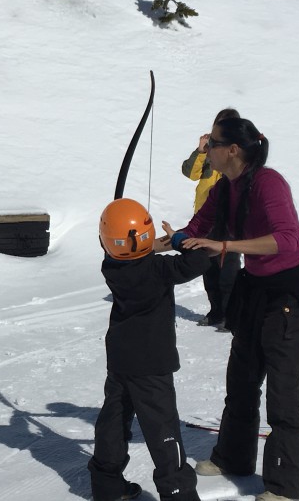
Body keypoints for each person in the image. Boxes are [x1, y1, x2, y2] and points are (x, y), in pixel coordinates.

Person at [162, 117, 299, 501]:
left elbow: (286, 239)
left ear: (232, 150)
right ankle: (233, 458)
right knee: (242, 378)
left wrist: (226, 247)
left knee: (282, 392)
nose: (206, 150)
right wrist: (156, 243)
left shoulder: (269, 183)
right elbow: (198, 228)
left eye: (211, 144)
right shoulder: (223, 188)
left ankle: (285, 487)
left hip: (290, 294)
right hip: (255, 288)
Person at [90, 197, 211, 501]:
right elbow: (199, 259)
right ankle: (178, 492)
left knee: (114, 419)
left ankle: (107, 485)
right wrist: (180, 239)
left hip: (120, 358)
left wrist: (148, 246)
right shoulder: (158, 269)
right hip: (152, 364)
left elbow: (121, 250)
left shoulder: (112, 266)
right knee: (162, 428)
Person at [181, 108, 242, 329]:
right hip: (205, 218)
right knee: (208, 268)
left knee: (229, 270)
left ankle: (232, 314)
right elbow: (190, 173)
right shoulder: (209, 150)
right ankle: (216, 312)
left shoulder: (239, 149)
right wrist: (200, 150)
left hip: (230, 218)